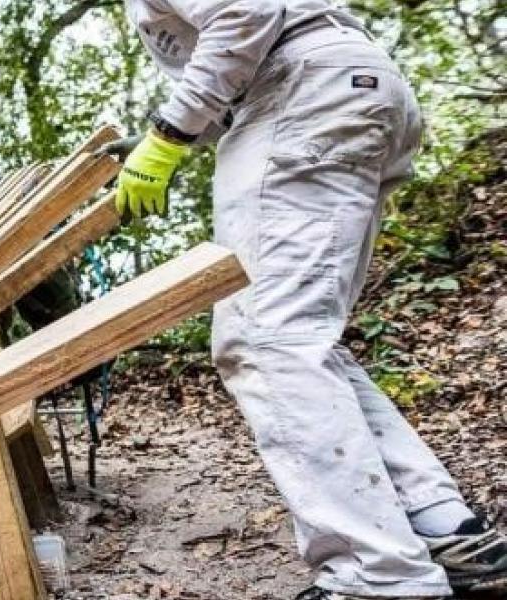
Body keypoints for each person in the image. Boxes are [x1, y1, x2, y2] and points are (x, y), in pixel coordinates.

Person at [104, 2, 506, 599]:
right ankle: (443, 526)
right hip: (335, 87)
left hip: (302, 94)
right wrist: (174, 129)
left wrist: (169, 135)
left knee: (267, 343)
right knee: (298, 338)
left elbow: (248, 11)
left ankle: (378, 576)